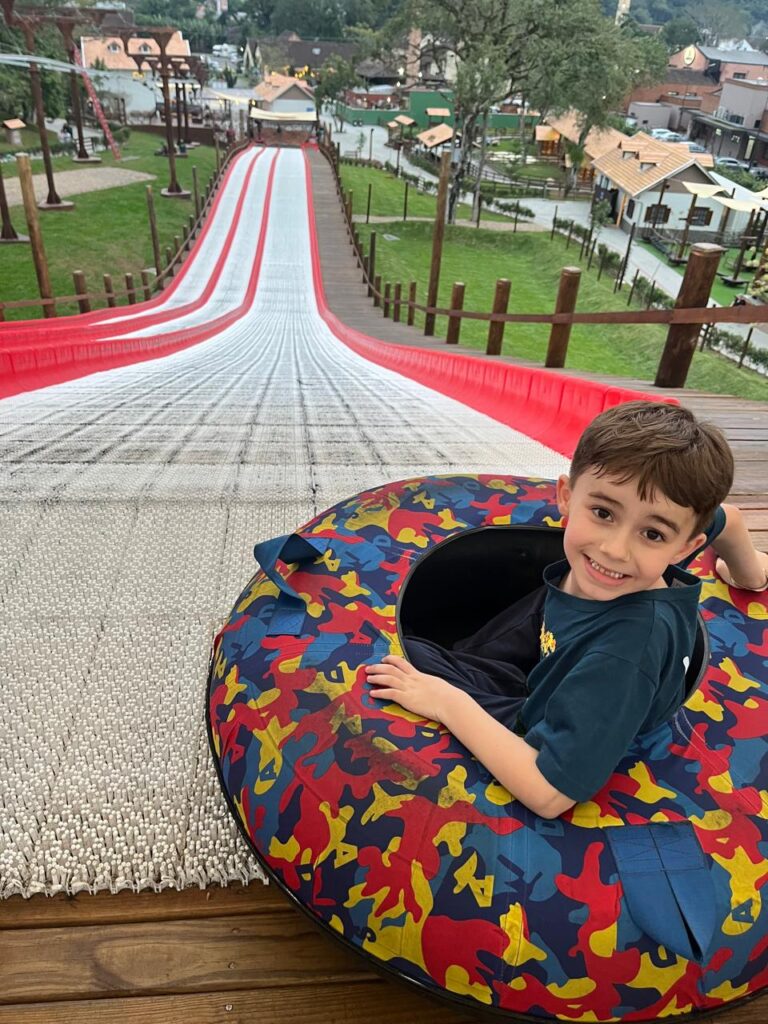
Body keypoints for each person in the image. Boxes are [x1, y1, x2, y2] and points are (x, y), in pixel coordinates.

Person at [366, 402, 768, 819]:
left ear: (684, 547)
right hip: (551, 653)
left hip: (584, 708)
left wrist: (447, 702)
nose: (615, 549)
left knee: (415, 664)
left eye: (651, 533)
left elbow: (549, 794)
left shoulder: (624, 654)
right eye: (603, 512)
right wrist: (751, 574)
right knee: (424, 650)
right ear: (565, 496)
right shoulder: (657, 533)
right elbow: (729, 519)